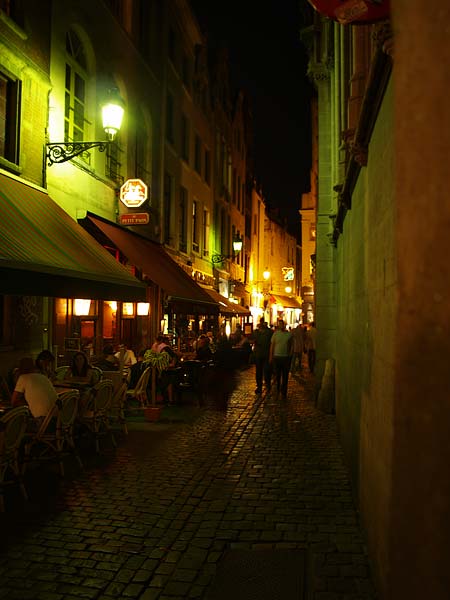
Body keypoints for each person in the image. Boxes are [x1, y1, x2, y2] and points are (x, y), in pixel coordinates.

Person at [12, 356, 57, 427]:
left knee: (14, 425)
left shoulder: (23, 378)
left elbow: (14, 402)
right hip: (58, 420)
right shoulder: (43, 377)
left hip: (43, 422)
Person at [269, 319, 293, 399]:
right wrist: (271, 356)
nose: (281, 326)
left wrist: (290, 354)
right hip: (277, 357)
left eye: (282, 324)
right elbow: (272, 345)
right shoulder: (275, 334)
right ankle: (278, 388)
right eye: (279, 324)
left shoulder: (288, 334)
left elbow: (291, 344)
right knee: (278, 375)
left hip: (285, 357)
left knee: (285, 375)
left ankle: (284, 391)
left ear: (284, 325)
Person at [251, 318, 273, 394]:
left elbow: (271, 343)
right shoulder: (257, 332)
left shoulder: (269, 332)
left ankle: (266, 385)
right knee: (260, 371)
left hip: (265, 353)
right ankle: (261, 386)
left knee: (265, 371)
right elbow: (253, 340)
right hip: (260, 354)